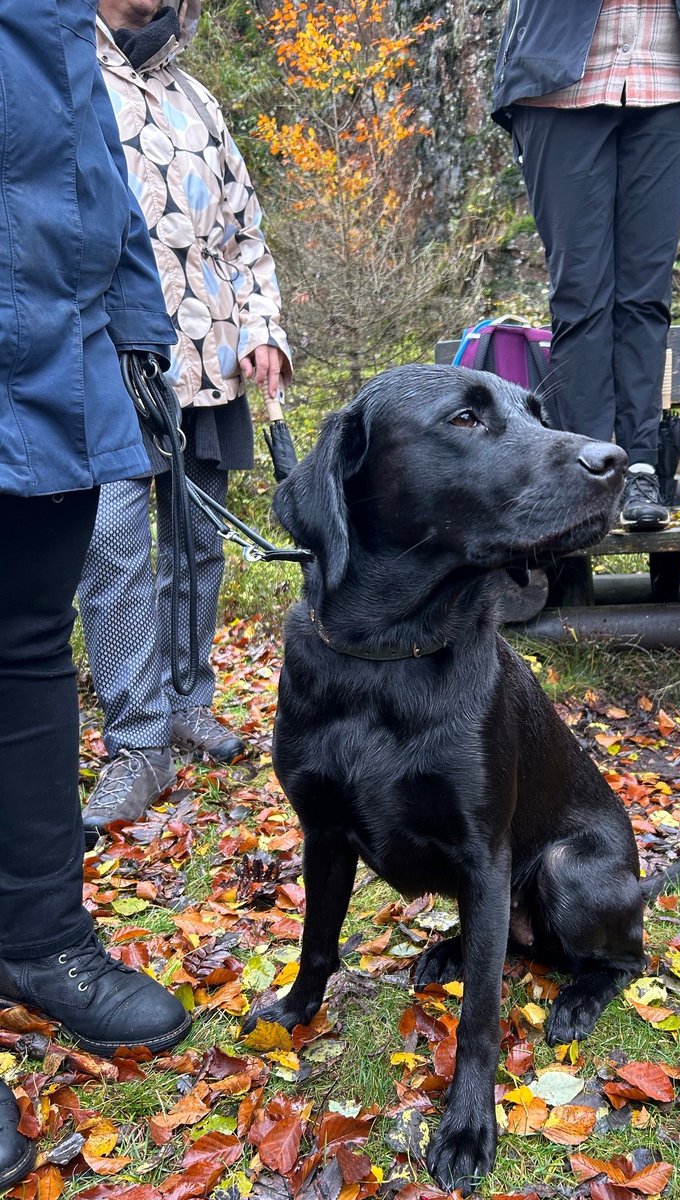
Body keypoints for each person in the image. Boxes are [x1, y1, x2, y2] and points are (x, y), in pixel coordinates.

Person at [0, 0, 192, 1185]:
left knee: (27, 646)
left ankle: (38, 936)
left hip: (50, 357)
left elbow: (87, 154)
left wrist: (137, 329)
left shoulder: (60, 22)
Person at [78, 0, 293, 835]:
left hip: (206, 361)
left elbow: (244, 238)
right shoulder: (64, 77)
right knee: (113, 543)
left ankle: (185, 704)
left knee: (196, 545)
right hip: (107, 359)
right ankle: (136, 743)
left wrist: (262, 329)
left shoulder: (194, 97)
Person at [491, 0, 680, 591]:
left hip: (667, 77)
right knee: (581, 298)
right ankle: (590, 475)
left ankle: (641, 467)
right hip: (557, 83)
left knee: (646, 297)